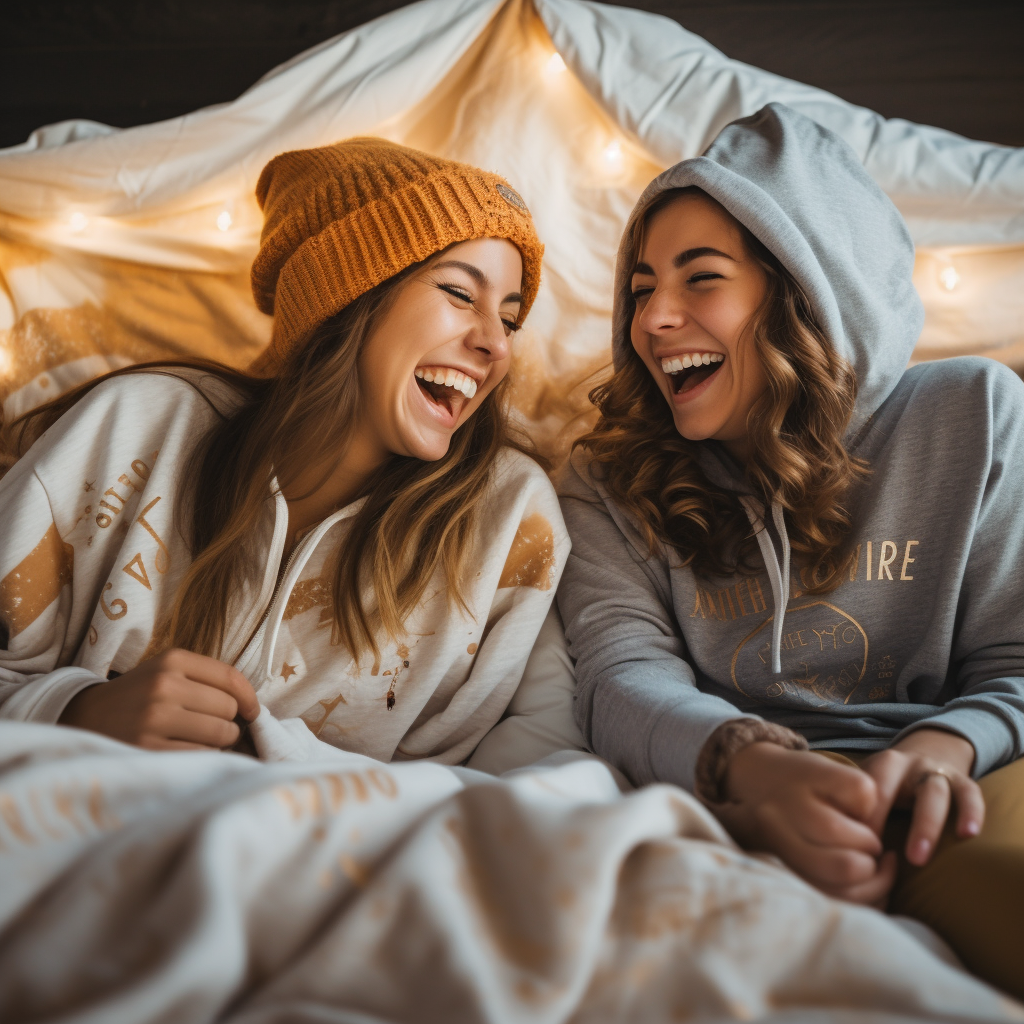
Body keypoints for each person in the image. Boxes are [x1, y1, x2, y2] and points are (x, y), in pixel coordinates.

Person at [557, 103, 1024, 996]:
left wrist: (947, 748)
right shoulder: (609, 481)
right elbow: (619, 678)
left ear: (809, 288)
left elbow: (1015, 656)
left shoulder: (975, 415)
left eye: (701, 279)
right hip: (731, 791)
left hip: (961, 774)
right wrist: (751, 768)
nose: (654, 319)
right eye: (642, 286)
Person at [0, 137, 568, 768]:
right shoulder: (134, 425)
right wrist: (75, 711)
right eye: (461, 294)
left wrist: (268, 751)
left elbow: (517, 786)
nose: (497, 344)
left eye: (511, 318)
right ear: (348, 294)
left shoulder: (512, 518)